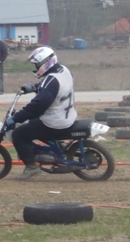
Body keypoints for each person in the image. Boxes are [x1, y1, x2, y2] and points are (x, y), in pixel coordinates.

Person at [6, 47, 77, 180]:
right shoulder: (63, 70)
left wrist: (16, 118)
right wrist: (36, 87)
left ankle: (31, 167)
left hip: (55, 122)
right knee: (32, 122)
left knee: (19, 134)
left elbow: (37, 107)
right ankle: (55, 147)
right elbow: (53, 86)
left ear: (45, 62)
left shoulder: (51, 80)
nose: (36, 67)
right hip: (67, 116)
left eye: (37, 64)